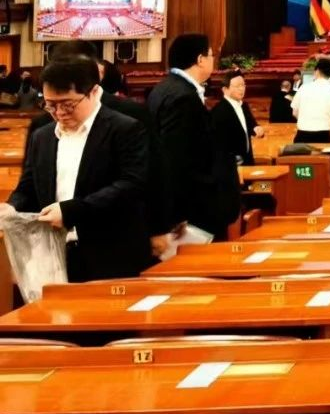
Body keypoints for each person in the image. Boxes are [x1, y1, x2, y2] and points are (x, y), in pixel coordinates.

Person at [3, 57, 152, 281]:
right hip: (55, 254)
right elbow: (29, 186)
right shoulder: (42, 136)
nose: (59, 113)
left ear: (93, 92)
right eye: (50, 105)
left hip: (110, 255)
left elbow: (131, 185)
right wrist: (12, 207)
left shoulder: (125, 129)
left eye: (68, 104)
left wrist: (71, 211)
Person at [149, 32, 239, 241]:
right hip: (194, 214)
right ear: (200, 59)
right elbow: (175, 158)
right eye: (211, 55)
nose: (212, 60)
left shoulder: (165, 88)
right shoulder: (182, 97)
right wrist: (176, 214)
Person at [210, 70, 261, 166]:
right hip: (231, 164)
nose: (242, 89)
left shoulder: (244, 105)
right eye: (237, 86)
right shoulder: (219, 111)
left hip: (247, 160)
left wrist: (256, 128)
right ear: (225, 89)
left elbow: (250, 124)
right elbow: (218, 142)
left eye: (243, 85)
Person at [291, 58, 330, 145]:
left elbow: (294, 112)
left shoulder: (303, 88)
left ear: (317, 71)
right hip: (323, 135)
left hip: (302, 134)